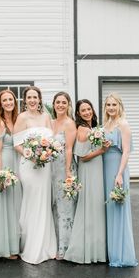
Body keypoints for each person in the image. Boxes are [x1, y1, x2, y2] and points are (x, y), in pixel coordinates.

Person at [13, 86, 57, 264]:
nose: (32, 100)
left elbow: (52, 140)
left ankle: (46, 246)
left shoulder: (46, 117)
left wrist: (47, 153)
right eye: (29, 97)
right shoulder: (22, 117)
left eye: (35, 97)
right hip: (29, 165)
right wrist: (31, 155)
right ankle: (32, 247)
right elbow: (17, 144)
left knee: (44, 203)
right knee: (32, 202)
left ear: (39, 99)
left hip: (45, 166)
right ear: (25, 100)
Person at [64, 99, 109, 264]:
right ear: (78, 114)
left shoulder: (93, 127)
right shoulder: (82, 129)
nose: (87, 112)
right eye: (83, 110)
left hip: (97, 169)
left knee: (96, 207)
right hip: (89, 171)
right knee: (89, 207)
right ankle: (84, 249)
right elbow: (82, 157)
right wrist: (101, 150)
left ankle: (96, 248)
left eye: (89, 109)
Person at [103, 93, 138, 267]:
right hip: (105, 167)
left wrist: (119, 174)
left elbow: (126, 151)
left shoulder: (123, 125)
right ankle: (111, 251)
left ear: (119, 106)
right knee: (109, 208)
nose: (110, 108)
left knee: (118, 208)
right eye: (108, 105)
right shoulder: (106, 124)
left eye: (114, 105)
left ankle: (121, 254)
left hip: (117, 168)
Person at [0, 90, 22, 259]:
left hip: (18, 163)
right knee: (5, 204)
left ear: (15, 101)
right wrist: (0, 174)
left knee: (16, 204)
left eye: (11, 99)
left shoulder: (17, 120)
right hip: (6, 163)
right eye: (5, 100)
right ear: (0, 104)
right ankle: (5, 247)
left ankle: (16, 244)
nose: (8, 102)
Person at [51, 92, 77, 259]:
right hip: (51, 169)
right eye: (58, 102)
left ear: (68, 105)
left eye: (63, 102)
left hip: (64, 168)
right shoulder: (51, 122)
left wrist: (68, 171)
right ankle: (54, 245)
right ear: (53, 104)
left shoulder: (69, 123)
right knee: (54, 207)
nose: (60, 105)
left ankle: (65, 248)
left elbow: (68, 149)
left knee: (65, 208)